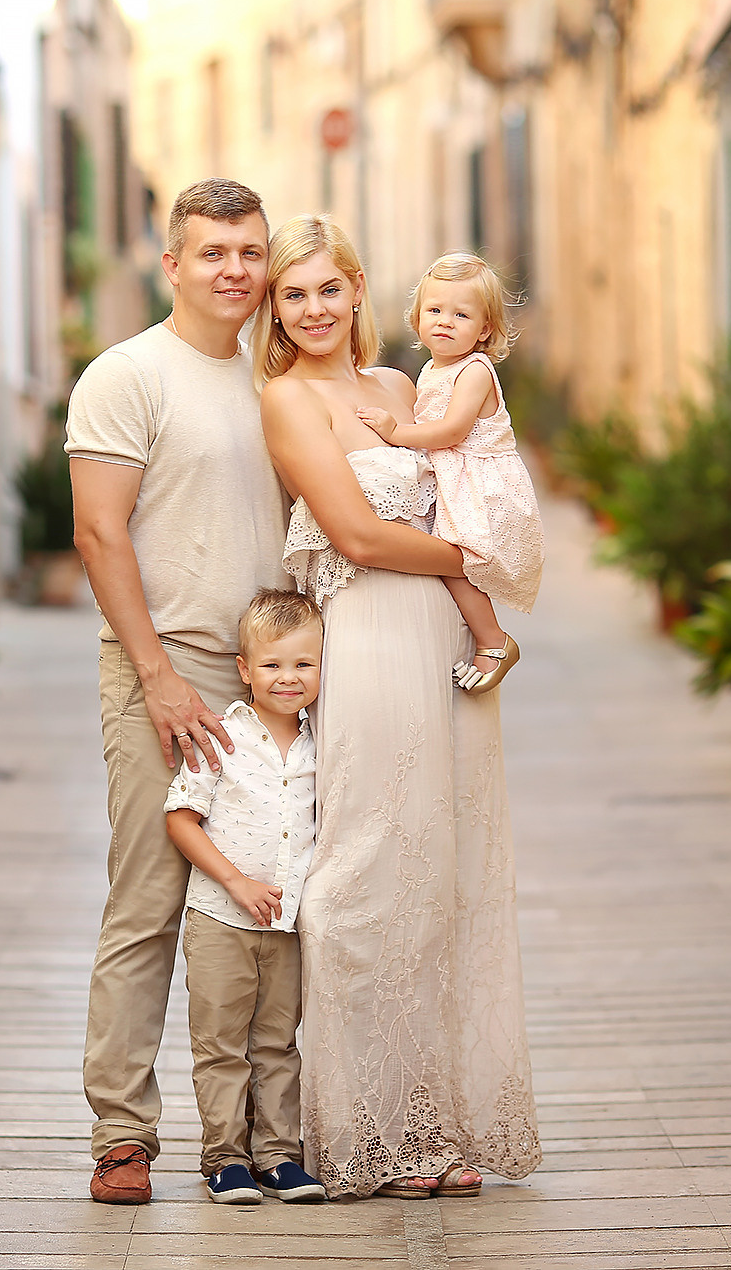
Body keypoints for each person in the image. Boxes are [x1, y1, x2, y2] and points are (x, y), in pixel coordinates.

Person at [257, 215, 541, 1200]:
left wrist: (475, 599)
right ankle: (359, 1128)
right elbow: (361, 535)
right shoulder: (286, 400)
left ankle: (428, 1127)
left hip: (446, 643)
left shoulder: (398, 387)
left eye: (327, 288)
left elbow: (463, 477)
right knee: (360, 872)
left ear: (356, 289)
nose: (313, 308)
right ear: (276, 309)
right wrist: (472, 562)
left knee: (441, 872)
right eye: (292, 294)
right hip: (370, 635)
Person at [67, 179, 291, 1205]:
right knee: (150, 907)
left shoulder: (273, 378)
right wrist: (155, 676)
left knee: (277, 909)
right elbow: (97, 533)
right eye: (212, 253)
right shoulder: (125, 376)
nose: (233, 270)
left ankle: (263, 1133)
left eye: (248, 252)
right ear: (172, 264)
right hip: (168, 674)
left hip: (275, 684)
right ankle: (122, 1134)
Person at [162, 589, 328, 1206]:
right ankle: (225, 1160)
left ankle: (281, 1157)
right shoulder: (221, 738)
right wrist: (235, 880)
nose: (288, 679)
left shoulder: (324, 745)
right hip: (219, 920)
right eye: (272, 665)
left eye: (303, 665)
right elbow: (181, 818)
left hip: (288, 925)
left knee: (279, 1044)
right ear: (244, 669)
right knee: (221, 1043)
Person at [355, 252, 544, 691]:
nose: (445, 321)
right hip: (457, 475)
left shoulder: (475, 370)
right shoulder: (431, 368)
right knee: (444, 557)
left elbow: (453, 430)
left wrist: (396, 432)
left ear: (485, 329)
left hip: (483, 483)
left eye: (461, 314)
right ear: (417, 317)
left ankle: (494, 641)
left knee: (454, 558)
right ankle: (479, 636)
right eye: (434, 310)